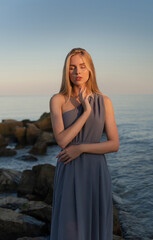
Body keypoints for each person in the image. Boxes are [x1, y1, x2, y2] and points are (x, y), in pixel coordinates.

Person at [49, 47, 119, 240]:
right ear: (66, 71)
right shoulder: (58, 100)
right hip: (69, 171)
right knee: (69, 229)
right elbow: (62, 140)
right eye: (72, 68)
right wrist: (86, 112)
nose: (77, 72)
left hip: (95, 172)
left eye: (82, 66)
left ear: (90, 70)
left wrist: (80, 148)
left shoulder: (105, 101)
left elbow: (114, 144)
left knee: (94, 227)